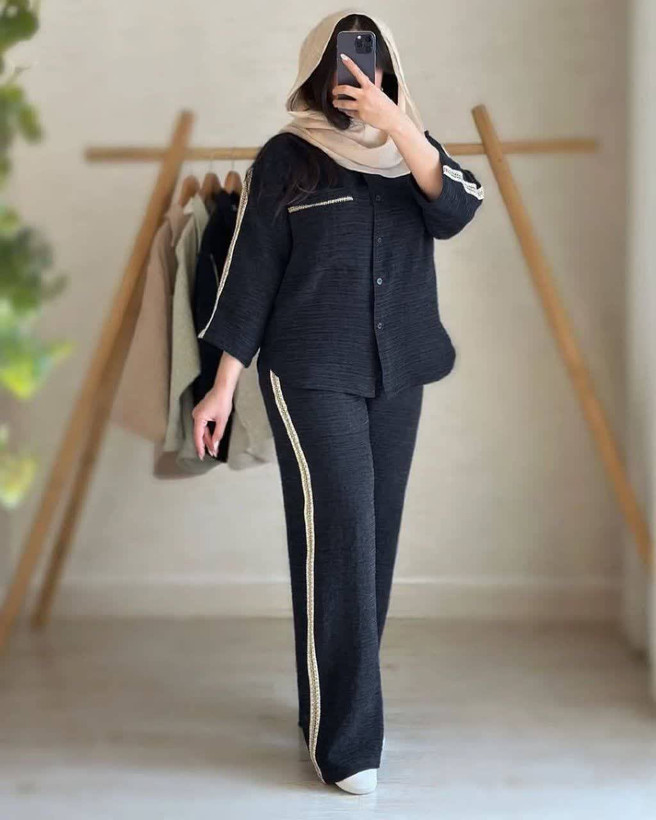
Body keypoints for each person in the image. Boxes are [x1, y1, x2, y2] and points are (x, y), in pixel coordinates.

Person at [192, 8, 484, 795]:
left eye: (373, 60)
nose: (359, 75)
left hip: (399, 375)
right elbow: (250, 276)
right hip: (310, 373)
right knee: (345, 534)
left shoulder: (414, 152)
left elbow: (459, 208)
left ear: (390, 70)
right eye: (344, 61)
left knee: (367, 542)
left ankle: (322, 705)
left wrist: (400, 126)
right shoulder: (287, 159)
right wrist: (221, 385)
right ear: (316, 72)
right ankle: (349, 744)